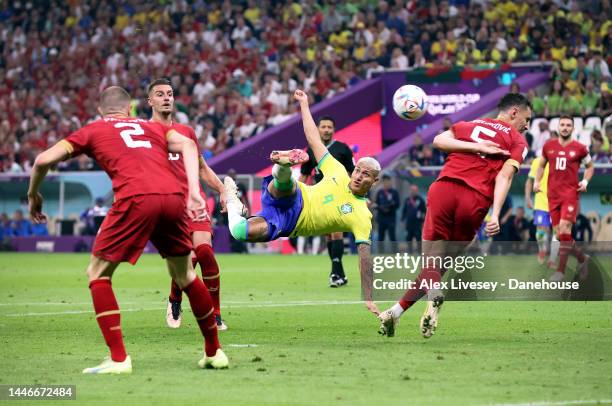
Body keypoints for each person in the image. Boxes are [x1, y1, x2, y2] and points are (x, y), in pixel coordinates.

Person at [27, 86, 228, 374]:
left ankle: (119, 359)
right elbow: (187, 145)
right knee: (185, 274)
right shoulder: (151, 127)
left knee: (97, 273)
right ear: (130, 108)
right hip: (173, 199)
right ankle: (214, 352)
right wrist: (195, 192)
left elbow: (42, 160)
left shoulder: (93, 130)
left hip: (136, 199)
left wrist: (34, 196)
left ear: (100, 110)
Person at [378, 93, 531, 339]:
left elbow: (439, 140)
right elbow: (505, 176)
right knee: (439, 264)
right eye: (526, 119)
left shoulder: (471, 124)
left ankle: (398, 311)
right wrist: (496, 213)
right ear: (514, 112)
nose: (527, 125)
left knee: (431, 263)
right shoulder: (518, 141)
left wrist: (475, 145)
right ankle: (412, 305)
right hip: (475, 199)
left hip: (443, 189)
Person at [225, 89, 381, 315]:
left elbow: (364, 258)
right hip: (298, 197)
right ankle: (283, 164)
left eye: (366, 175)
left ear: (374, 181)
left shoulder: (362, 215)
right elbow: (313, 139)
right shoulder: (337, 170)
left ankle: (233, 201)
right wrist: (304, 104)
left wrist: (368, 297)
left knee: (239, 231)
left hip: (288, 224)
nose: (358, 176)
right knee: (285, 186)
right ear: (353, 168)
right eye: (358, 170)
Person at [147, 78, 228, 331]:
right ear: (150, 101)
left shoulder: (186, 133)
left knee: (203, 251)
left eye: (169, 93)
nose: (166, 98)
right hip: (167, 206)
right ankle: (175, 298)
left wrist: (223, 189)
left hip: (194, 201)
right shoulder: (143, 133)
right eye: (160, 94)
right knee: (186, 260)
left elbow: (202, 169)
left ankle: (215, 314)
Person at [534, 115, 594, 281]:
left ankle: (560, 272)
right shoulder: (548, 146)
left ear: (573, 128)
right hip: (552, 196)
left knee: (565, 230)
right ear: (558, 127)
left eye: (568, 125)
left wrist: (585, 181)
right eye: (563, 125)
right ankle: (583, 259)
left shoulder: (581, 148)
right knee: (561, 235)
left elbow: (590, 167)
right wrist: (537, 181)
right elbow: (541, 165)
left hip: (570, 195)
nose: (565, 127)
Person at [299, 115, 355, 287]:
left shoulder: (343, 149)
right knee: (329, 235)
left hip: (339, 195)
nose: (326, 130)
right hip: (320, 196)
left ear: (334, 129)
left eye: (329, 127)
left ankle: (334, 274)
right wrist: (295, 195)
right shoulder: (311, 150)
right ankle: (340, 273)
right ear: (318, 129)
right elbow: (304, 176)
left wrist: (357, 194)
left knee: (337, 232)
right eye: (323, 127)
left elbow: (352, 173)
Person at [525, 156, 558, 268]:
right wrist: (528, 198)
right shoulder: (537, 161)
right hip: (541, 203)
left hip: (557, 203)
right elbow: (529, 181)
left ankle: (552, 260)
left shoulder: (562, 161)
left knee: (557, 232)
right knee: (540, 231)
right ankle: (542, 250)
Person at [374, 174, 400, 242]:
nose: (386, 183)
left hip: (390, 218)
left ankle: (394, 252)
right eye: (384, 181)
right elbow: (376, 204)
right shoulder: (380, 192)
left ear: (390, 182)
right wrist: (380, 208)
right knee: (380, 237)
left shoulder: (394, 192)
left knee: (392, 237)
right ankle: (380, 252)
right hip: (381, 218)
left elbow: (397, 204)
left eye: (387, 181)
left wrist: (390, 208)